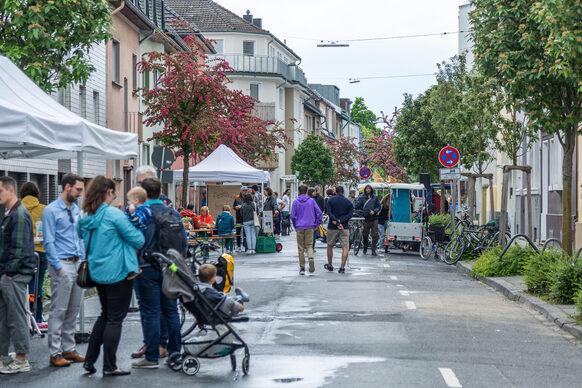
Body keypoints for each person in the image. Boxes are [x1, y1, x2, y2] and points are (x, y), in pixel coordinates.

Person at [78, 176, 145, 376]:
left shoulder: (87, 215)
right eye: (114, 192)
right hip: (118, 272)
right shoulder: (114, 215)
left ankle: (89, 361)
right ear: (108, 192)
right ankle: (109, 365)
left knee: (105, 315)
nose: (114, 196)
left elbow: (81, 235)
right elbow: (137, 239)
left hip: (97, 272)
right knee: (115, 319)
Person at [132, 177, 187, 370]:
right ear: (160, 190)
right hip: (170, 269)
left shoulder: (141, 213)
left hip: (146, 268)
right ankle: (174, 352)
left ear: (143, 193)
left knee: (151, 312)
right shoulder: (173, 213)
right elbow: (184, 242)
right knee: (171, 311)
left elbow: (134, 241)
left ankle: (152, 356)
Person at [43, 173, 86, 367]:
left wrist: (84, 260)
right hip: (62, 263)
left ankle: (69, 349)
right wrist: (58, 266)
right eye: (78, 190)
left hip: (77, 264)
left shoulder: (76, 209)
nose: (79, 194)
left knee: (73, 309)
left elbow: (80, 237)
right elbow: (48, 241)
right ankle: (55, 352)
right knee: (58, 310)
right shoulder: (51, 211)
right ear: (67, 187)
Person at [0, 176, 35, 374]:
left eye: (0, 191)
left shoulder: (18, 214)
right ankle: (6, 357)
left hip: (14, 275)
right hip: (9, 274)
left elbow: (20, 249)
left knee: (16, 316)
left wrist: (10, 273)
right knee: (5, 317)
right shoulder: (12, 213)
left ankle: (21, 359)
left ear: (11, 190)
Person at [20, 182, 48, 328]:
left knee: (22, 285)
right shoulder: (44, 209)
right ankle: (37, 318)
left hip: (22, 253)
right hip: (41, 252)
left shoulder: (17, 209)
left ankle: (24, 317)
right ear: (37, 193)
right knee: (38, 285)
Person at [290, 185, 322, 275]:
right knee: (309, 245)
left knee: (300, 247)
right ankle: (311, 257)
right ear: (307, 191)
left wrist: (295, 225)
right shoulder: (311, 201)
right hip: (310, 226)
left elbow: (292, 216)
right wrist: (317, 224)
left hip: (299, 226)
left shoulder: (295, 202)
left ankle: (302, 268)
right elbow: (319, 213)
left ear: (299, 192)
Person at [325, 186, 354, 274]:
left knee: (330, 245)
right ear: (343, 192)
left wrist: (336, 221)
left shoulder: (330, 200)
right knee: (344, 247)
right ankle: (342, 267)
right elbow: (350, 214)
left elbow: (329, 212)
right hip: (344, 226)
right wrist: (341, 221)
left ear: (336, 192)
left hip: (332, 226)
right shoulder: (348, 202)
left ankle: (330, 265)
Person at [355, 184, 381, 256]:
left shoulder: (375, 197)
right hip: (365, 218)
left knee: (375, 234)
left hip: (374, 218)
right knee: (365, 234)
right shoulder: (362, 197)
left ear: (371, 189)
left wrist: (374, 211)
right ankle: (365, 246)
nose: (368, 190)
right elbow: (358, 206)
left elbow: (379, 206)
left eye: (369, 188)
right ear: (365, 189)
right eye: (367, 188)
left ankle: (373, 250)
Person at [233, 187, 246, 252]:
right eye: (244, 191)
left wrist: (242, 206)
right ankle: (238, 246)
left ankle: (244, 246)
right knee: (238, 232)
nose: (245, 192)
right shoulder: (237, 197)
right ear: (241, 191)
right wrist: (236, 207)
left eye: (246, 190)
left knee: (245, 232)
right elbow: (233, 206)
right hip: (238, 217)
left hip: (245, 217)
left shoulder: (248, 197)